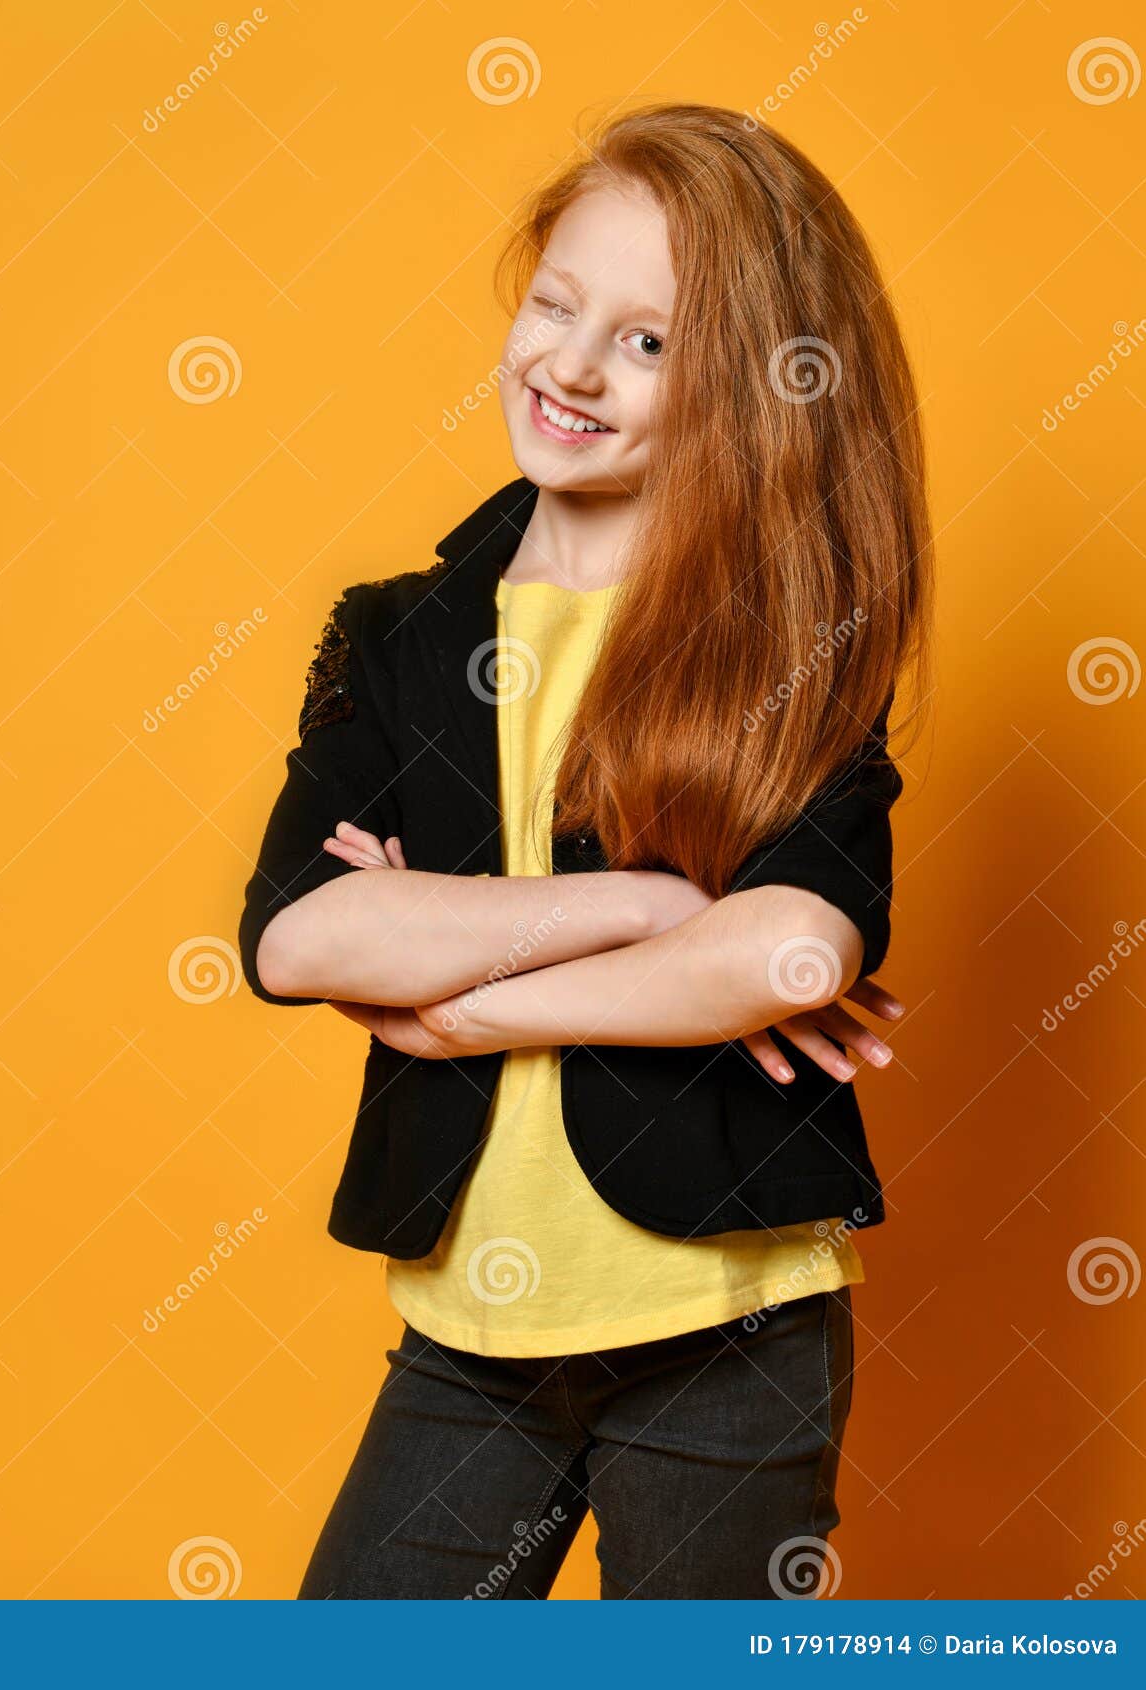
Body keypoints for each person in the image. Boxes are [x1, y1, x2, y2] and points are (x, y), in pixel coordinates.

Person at [238, 102, 932, 1600]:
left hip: (728, 1329)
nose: (569, 364)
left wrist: (467, 995)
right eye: (557, 304)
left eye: (649, 343)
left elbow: (796, 948)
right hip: (468, 1335)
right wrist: (649, 911)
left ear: (752, 391)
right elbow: (299, 939)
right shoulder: (400, 635)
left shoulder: (789, 645)